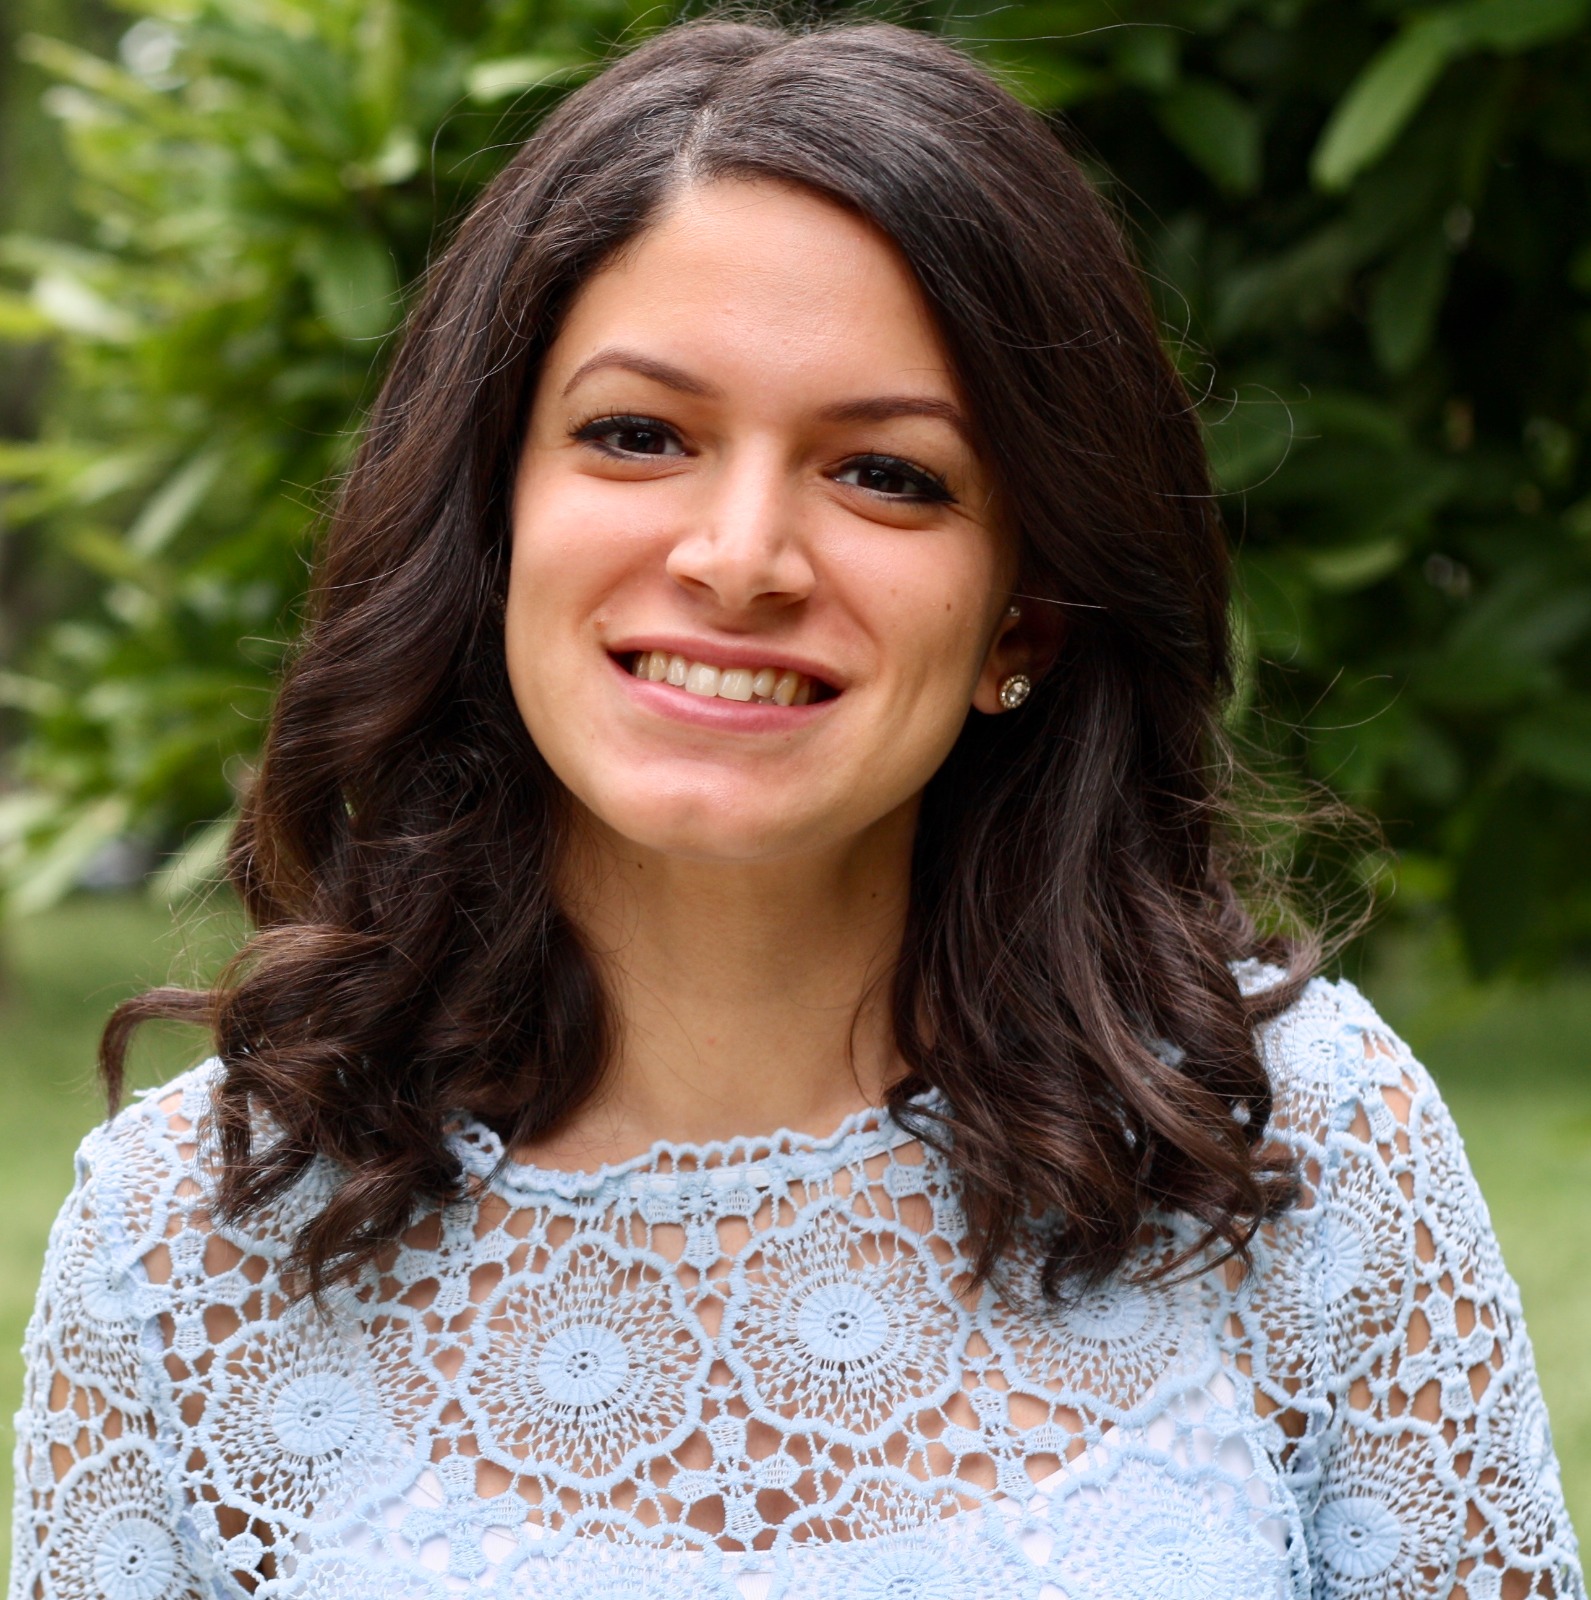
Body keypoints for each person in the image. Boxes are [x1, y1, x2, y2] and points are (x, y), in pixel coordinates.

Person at [9, 17, 1582, 1600]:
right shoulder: (188, 1251)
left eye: (887, 473)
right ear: (490, 520)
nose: (741, 553)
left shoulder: (1293, 1147)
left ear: (1021, 620)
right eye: (638, 435)